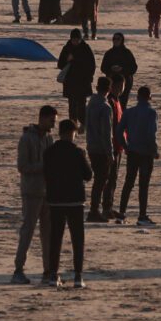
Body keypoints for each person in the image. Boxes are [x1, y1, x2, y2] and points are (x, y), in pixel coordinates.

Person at [42, 122, 93, 288]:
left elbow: (46, 173)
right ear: (71, 133)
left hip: (56, 200)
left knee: (55, 238)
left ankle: (53, 275)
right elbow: (88, 175)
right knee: (78, 239)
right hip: (75, 201)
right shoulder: (78, 152)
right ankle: (78, 276)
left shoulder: (49, 152)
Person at [12, 106, 57, 283]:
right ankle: (18, 269)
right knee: (27, 231)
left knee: (48, 234)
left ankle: (48, 271)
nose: (53, 125)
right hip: (31, 192)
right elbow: (22, 167)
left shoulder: (49, 138)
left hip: (47, 192)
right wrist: (43, 166)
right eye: (51, 121)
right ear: (42, 118)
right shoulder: (26, 139)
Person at [118, 85, 158, 225]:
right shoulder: (151, 113)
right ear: (149, 97)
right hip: (146, 153)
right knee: (143, 185)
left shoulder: (129, 112)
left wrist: (125, 146)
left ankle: (121, 213)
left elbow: (119, 131)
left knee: (128, 182)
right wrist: (154, 150)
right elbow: (151, 134)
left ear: (137, 97)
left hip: (132, 151)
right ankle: (141, 216)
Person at [85, 76, 121, 224]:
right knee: (101, 180)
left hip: (91, 146)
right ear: (109, 89)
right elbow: (106, 133)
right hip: (101, 149)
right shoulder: (105, 107)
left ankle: (95, 210)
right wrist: (110, 152)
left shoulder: (90, 104)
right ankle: (94, 211)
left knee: (99, 180)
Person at [58, 28, 96, 112]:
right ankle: (73, 124)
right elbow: (60, 65)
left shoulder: (85, 48)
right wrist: (67, 60)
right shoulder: (67, 48)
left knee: (82, 106)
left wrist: (90, 77)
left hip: (83, 81)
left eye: (77, 39)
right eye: (73, 39)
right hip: (70, 82)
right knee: (72, 107)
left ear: (80, 39)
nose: (75, 41)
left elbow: (92, 65)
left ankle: (83, 124)